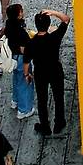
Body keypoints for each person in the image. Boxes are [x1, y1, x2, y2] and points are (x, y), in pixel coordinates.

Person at [23, 8, 71, 136]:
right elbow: (66, 19)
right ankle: (59, 123)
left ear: (36, 26)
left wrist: (26, 75)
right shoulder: (55, 37)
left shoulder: (31, 43)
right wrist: (53, 12)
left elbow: (26, 62)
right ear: (49, 24)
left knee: (42, 100)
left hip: (40, 73)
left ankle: (45, 126)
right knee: (58, 97)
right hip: (55, 70)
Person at [4, 2, 35, 119]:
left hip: (12, 57)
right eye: (21, 11)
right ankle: (24, 109)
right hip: (21, 59)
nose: (23, 12)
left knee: (17, 80)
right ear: (18, 15)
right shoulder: (20, 31)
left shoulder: (9, 24)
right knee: (24, 83)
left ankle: (15, 100)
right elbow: (24, 49)